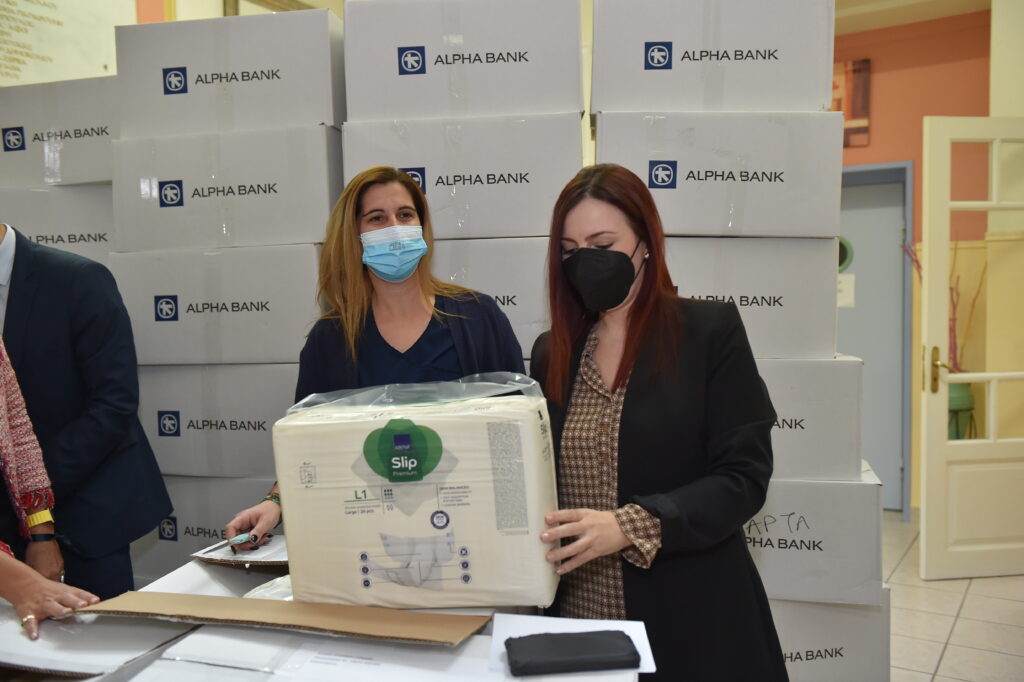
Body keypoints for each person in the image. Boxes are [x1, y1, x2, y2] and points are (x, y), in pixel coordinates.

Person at [530, 164, 787, 680]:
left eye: (603, 244)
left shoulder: (707, 332)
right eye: (570, 250)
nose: (586, 262)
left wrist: (628, 526)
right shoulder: (552, 353)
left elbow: (744, 477)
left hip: (690, 622)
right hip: (580, 621)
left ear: (645, 243)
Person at [226, 166, 524, 547]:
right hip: (369, 540)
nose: (395, 228)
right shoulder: (329, 340)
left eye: (405, 215)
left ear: (422, 226)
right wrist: (275, 503)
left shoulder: (478, 318)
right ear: (355, 236)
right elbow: (308, 448)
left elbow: (518, 437)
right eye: (377, 218)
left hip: (474, 533)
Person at [1, 222, 172, 599]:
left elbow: (114, 404)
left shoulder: (77, 279)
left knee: (97, 629)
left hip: (88, 511)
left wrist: (29, 493)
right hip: (9, 526)